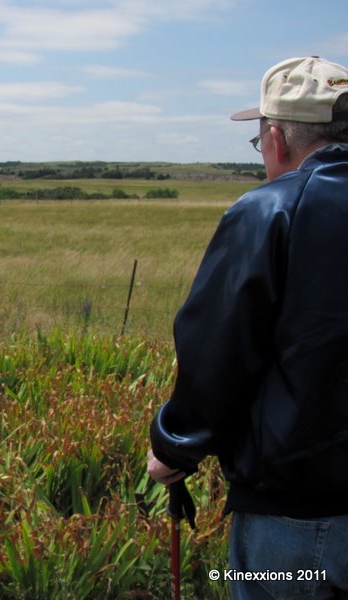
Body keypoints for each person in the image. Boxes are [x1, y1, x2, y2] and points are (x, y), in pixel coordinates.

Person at [148, 56, 348, 598]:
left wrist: (174, 446)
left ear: (276, 139)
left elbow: (219, 350)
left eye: (260, 141)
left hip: (300, 510)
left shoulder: (269, 210)